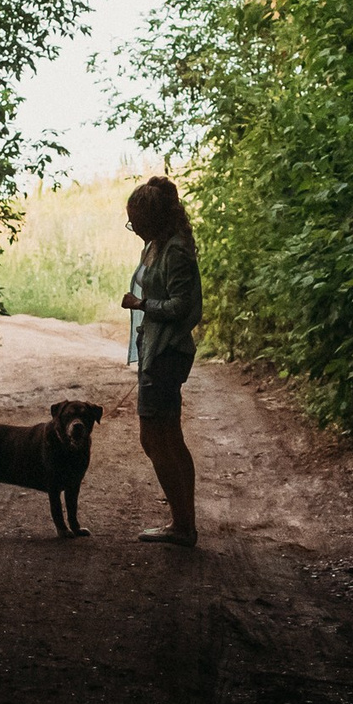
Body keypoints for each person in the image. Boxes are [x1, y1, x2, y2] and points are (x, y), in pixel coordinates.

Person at [118, 175, 201, 545]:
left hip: (168, 352)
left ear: (152, 219)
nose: (132, 228)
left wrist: (142, 305)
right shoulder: (156, 245)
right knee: (164, 437)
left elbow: (186, 307)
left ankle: (182, 525)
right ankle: (183, 523)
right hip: (154, 348)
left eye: (136, 221)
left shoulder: (176, 251)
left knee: (158, 437)